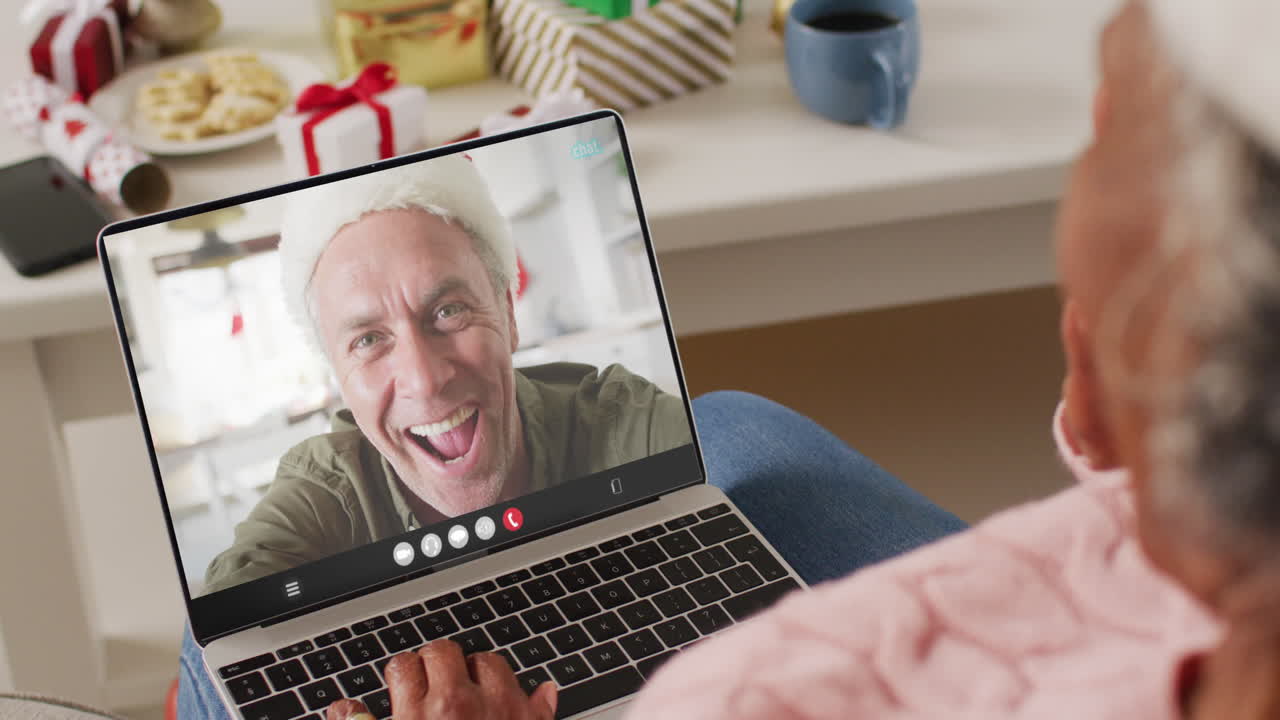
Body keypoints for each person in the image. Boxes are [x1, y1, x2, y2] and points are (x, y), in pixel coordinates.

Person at [287, 0, 1280, 718]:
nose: (418, 376)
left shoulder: (741, 697)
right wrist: (1141, 441)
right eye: (366, 339)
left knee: (229, 674)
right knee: (725, 428)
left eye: (1115, 113)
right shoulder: (314, 481)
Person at [201, 155, 692, 595]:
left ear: (507, 313)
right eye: (368, 340)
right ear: (339, 378)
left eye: (449, 311)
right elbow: (234, 604)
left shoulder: (617, 420)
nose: (424, 379)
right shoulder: (324, 494)